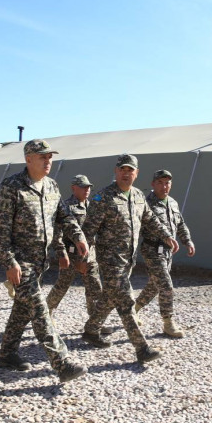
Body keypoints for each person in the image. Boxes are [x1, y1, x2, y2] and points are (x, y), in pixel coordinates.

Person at [0, 139, 88, 382]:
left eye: (49, 157)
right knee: (40, 310)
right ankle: (62, 363)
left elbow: (64, 216)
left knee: (22, 309)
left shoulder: (52, 186)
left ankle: (7, 354)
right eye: (42, 157)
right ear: (28, 159)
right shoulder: (12, 186)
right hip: (20, 262)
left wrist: (78, 236)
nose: (48, 161)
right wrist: (9, 262)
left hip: (40, 262)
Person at [81, 153, 178, 363]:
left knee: (110, 296)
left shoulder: (138, 196)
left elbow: (150, 219)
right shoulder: (103, 197)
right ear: (116, 171)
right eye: (122, 170)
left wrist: (167, 236)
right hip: (110, 260)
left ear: (136, 173)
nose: (126, 174)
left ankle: (91, 329)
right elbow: (88, 230)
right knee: (126, 300)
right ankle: (141, 348)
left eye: (130, 170)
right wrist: (83, 259)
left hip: (128, 259)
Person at [134, 169, 195, 338]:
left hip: (167, 251)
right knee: (166, 285)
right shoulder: (146, 203)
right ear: (153, 184)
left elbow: (180, 224)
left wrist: (187, 241)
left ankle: (134, 308)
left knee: (155, 285)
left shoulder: (173, 203)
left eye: (167, 183)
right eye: (160, 183)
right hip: (152, 249)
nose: (164, 186)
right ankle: (168, 323)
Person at [46, 175, 106, 327]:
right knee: (62, 286)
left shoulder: (92, 206)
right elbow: (57, 234)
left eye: (88, 187)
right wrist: (62, 254)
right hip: (72, 255)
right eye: (83, 187)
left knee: (95, 288)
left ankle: (95, 321)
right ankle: (47, 312)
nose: (87, 190)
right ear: (74, 188)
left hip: (90, 256)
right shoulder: (67, 207)